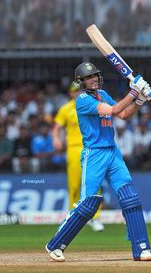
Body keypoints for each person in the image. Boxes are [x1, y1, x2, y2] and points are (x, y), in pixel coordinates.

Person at [46, 62, 151, 262]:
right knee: (87, 204)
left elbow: (123, 114)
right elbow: (112, 111)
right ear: (81, 82)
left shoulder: (103, 94)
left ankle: (141, 248)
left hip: (112, 151)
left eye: (94, 75)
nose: (93, 79)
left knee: (130, 197)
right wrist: (134, 91)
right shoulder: (82, 100)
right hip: (93, 154)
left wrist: (140, 100)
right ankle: (55, 245)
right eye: (88, 77)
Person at [52, 80, 104, 232]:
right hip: (74, 149)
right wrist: (55, 139)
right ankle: (73, 217)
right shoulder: (66, 109)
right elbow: (57, 127)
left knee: (93, 182)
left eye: (79, 91)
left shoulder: (91, 104)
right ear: (70, 93)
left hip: (91, 147)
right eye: (75, 91)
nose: (77, 94)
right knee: (74, 185)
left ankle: (95, 217)